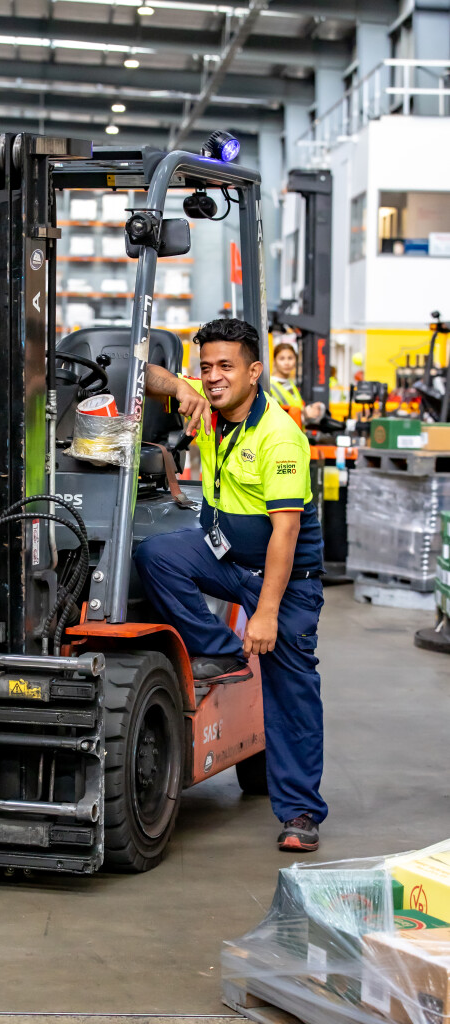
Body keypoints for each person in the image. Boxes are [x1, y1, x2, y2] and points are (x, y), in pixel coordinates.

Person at [134, 318, 327, 852]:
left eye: (226, 366)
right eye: (206, 368)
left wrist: (265, 614)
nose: (214, 377)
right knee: (157, 555)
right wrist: (181, 388)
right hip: (228, 557)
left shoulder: (279, 437)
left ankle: (301, 812)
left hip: (283, 578)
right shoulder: (209, 406)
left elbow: (285, 535)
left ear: (254, 371)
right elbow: (140, 372)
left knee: (290, 689)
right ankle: (222, 651)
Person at [271, 341, 324, 423]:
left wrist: (308, 411)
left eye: (290, 358)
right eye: (282, 359)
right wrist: (304, 415)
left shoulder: (291, 383)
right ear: (274, 361)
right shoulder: (270, 386)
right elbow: (275, 417)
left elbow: (295, 408)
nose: (287, 363)